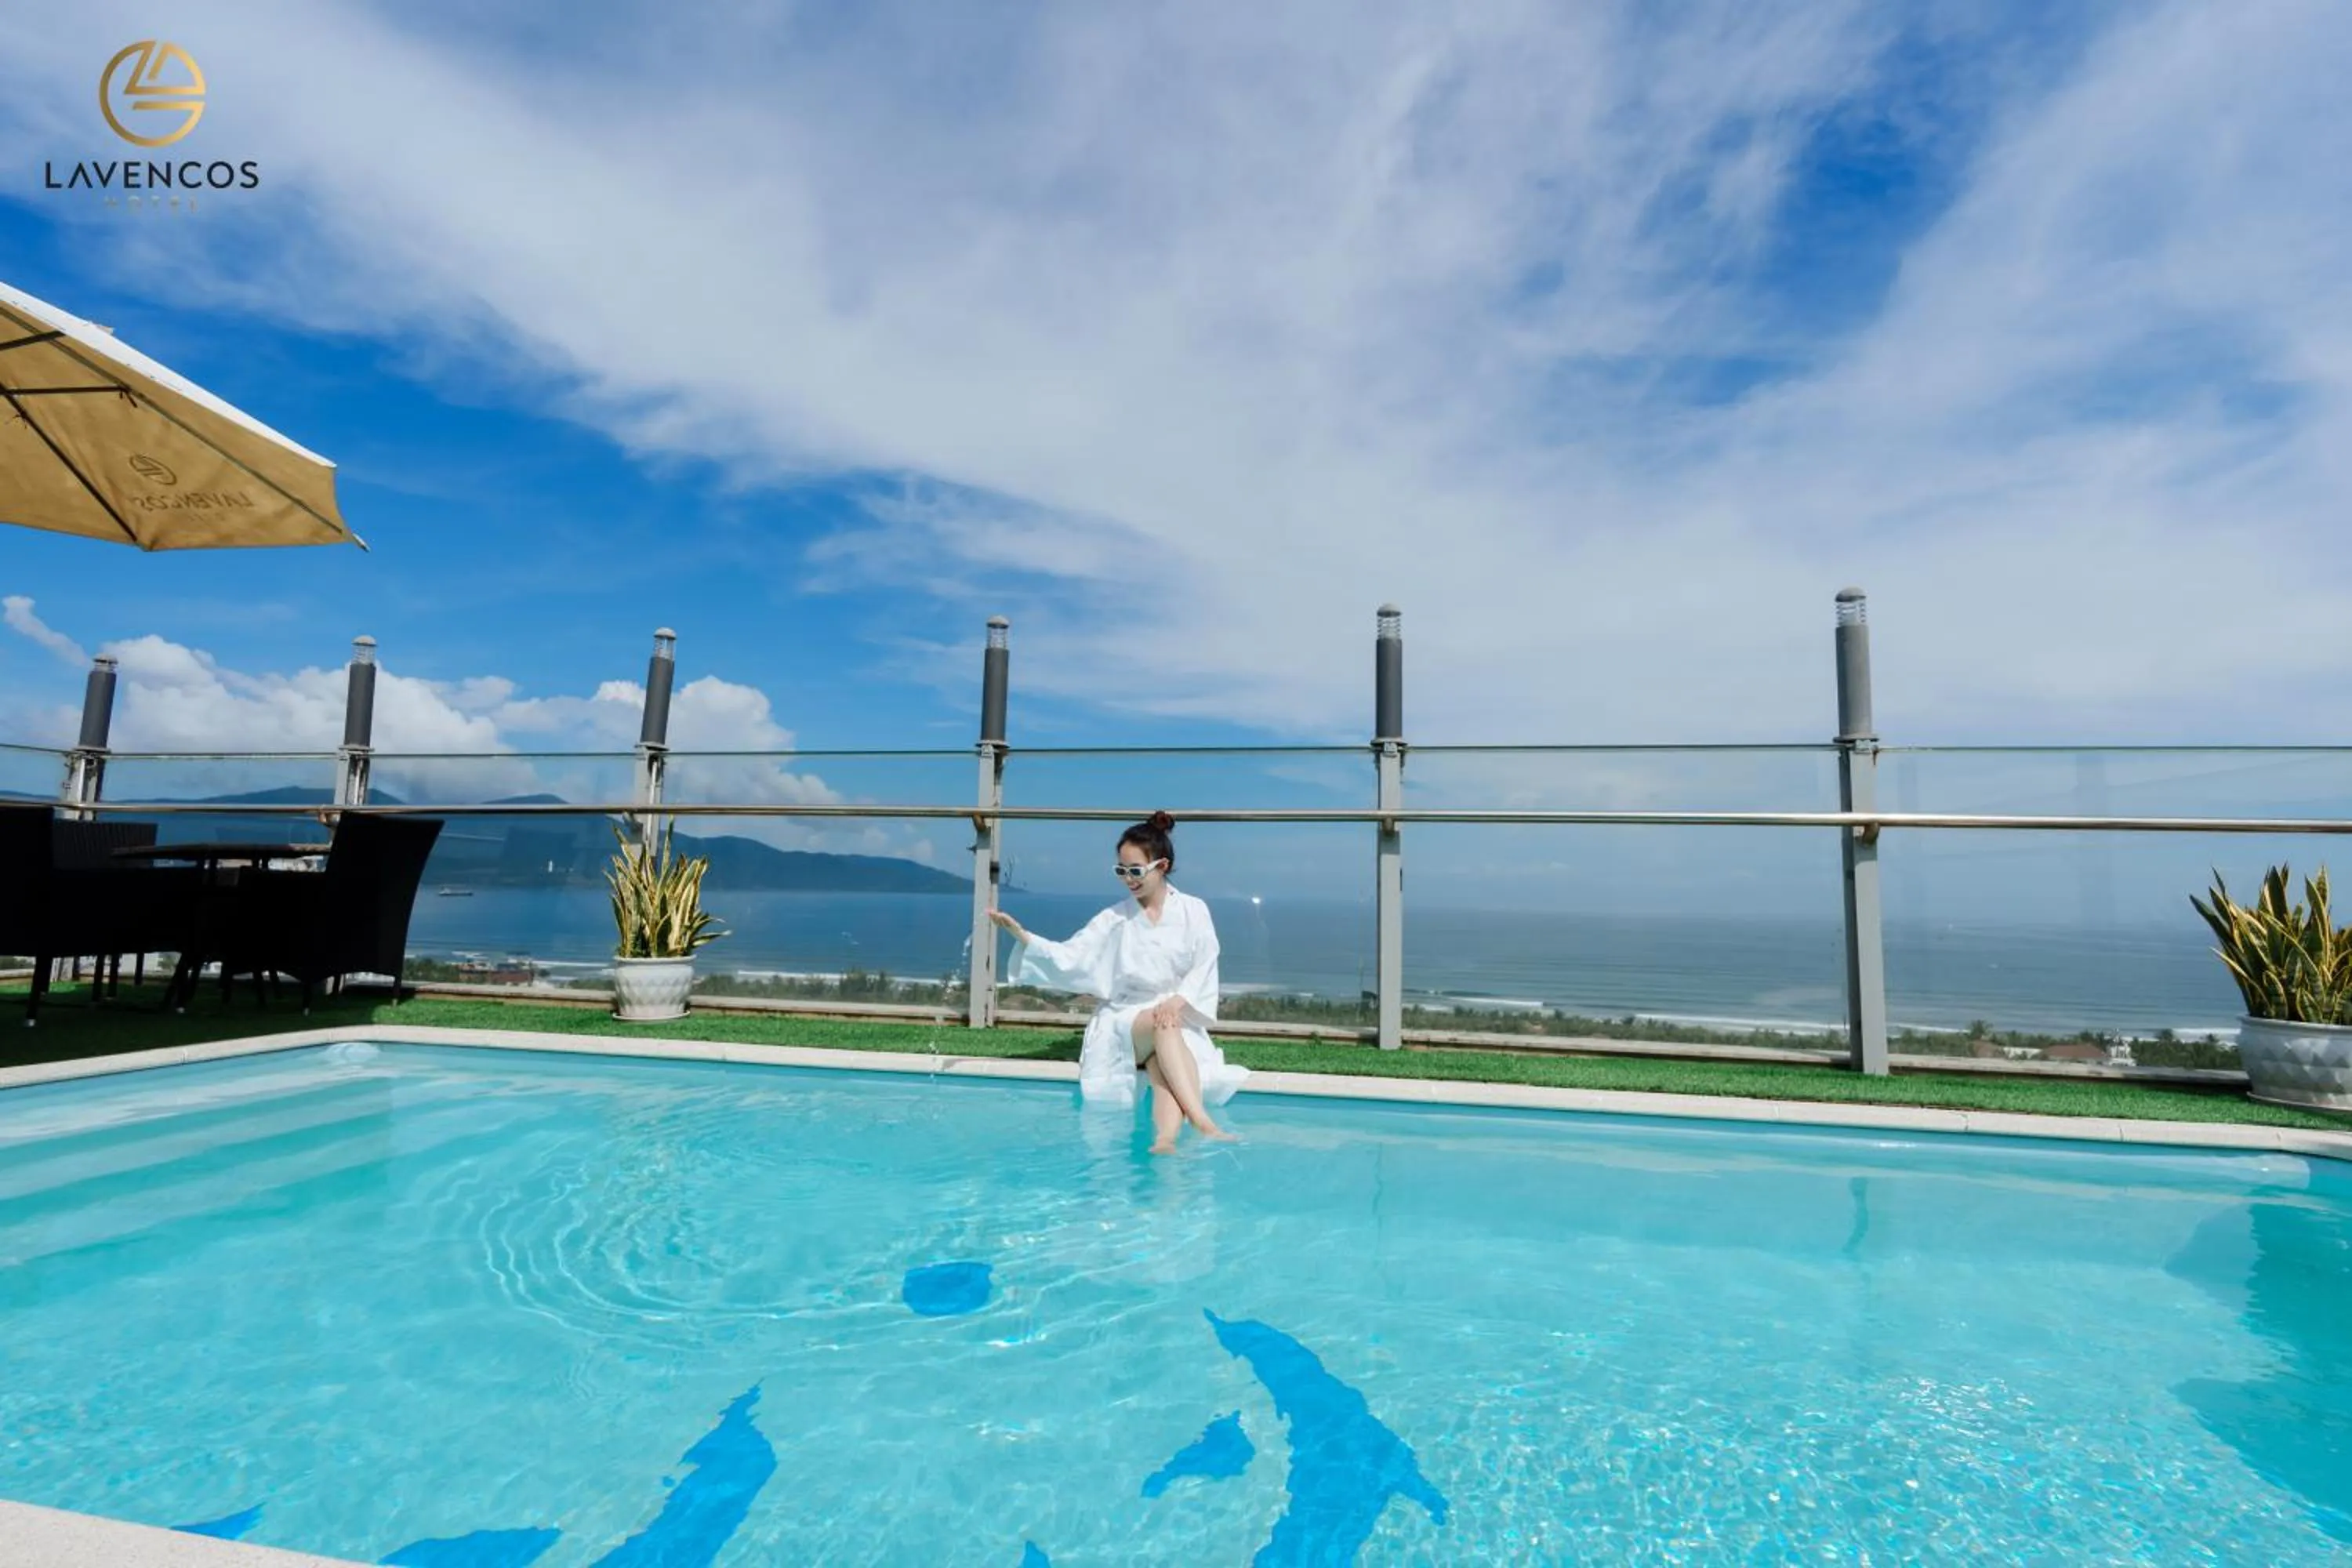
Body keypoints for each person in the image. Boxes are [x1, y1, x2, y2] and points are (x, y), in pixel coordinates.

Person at [989, 811, 1244, 1153]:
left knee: (1160, 1068)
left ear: (1162, 866)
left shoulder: (1194, 911)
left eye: (1135, 871)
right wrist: (1024, 937)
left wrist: (1178, 1001)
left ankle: (1165, 1140)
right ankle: (1202, 1121)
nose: (1128, 879)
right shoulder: (1113, 918)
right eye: (1121, 871)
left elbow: (1205, 962)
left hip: (1173, 1015)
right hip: (1124, 1021)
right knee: (1160, 1025)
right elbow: (1071, 956)